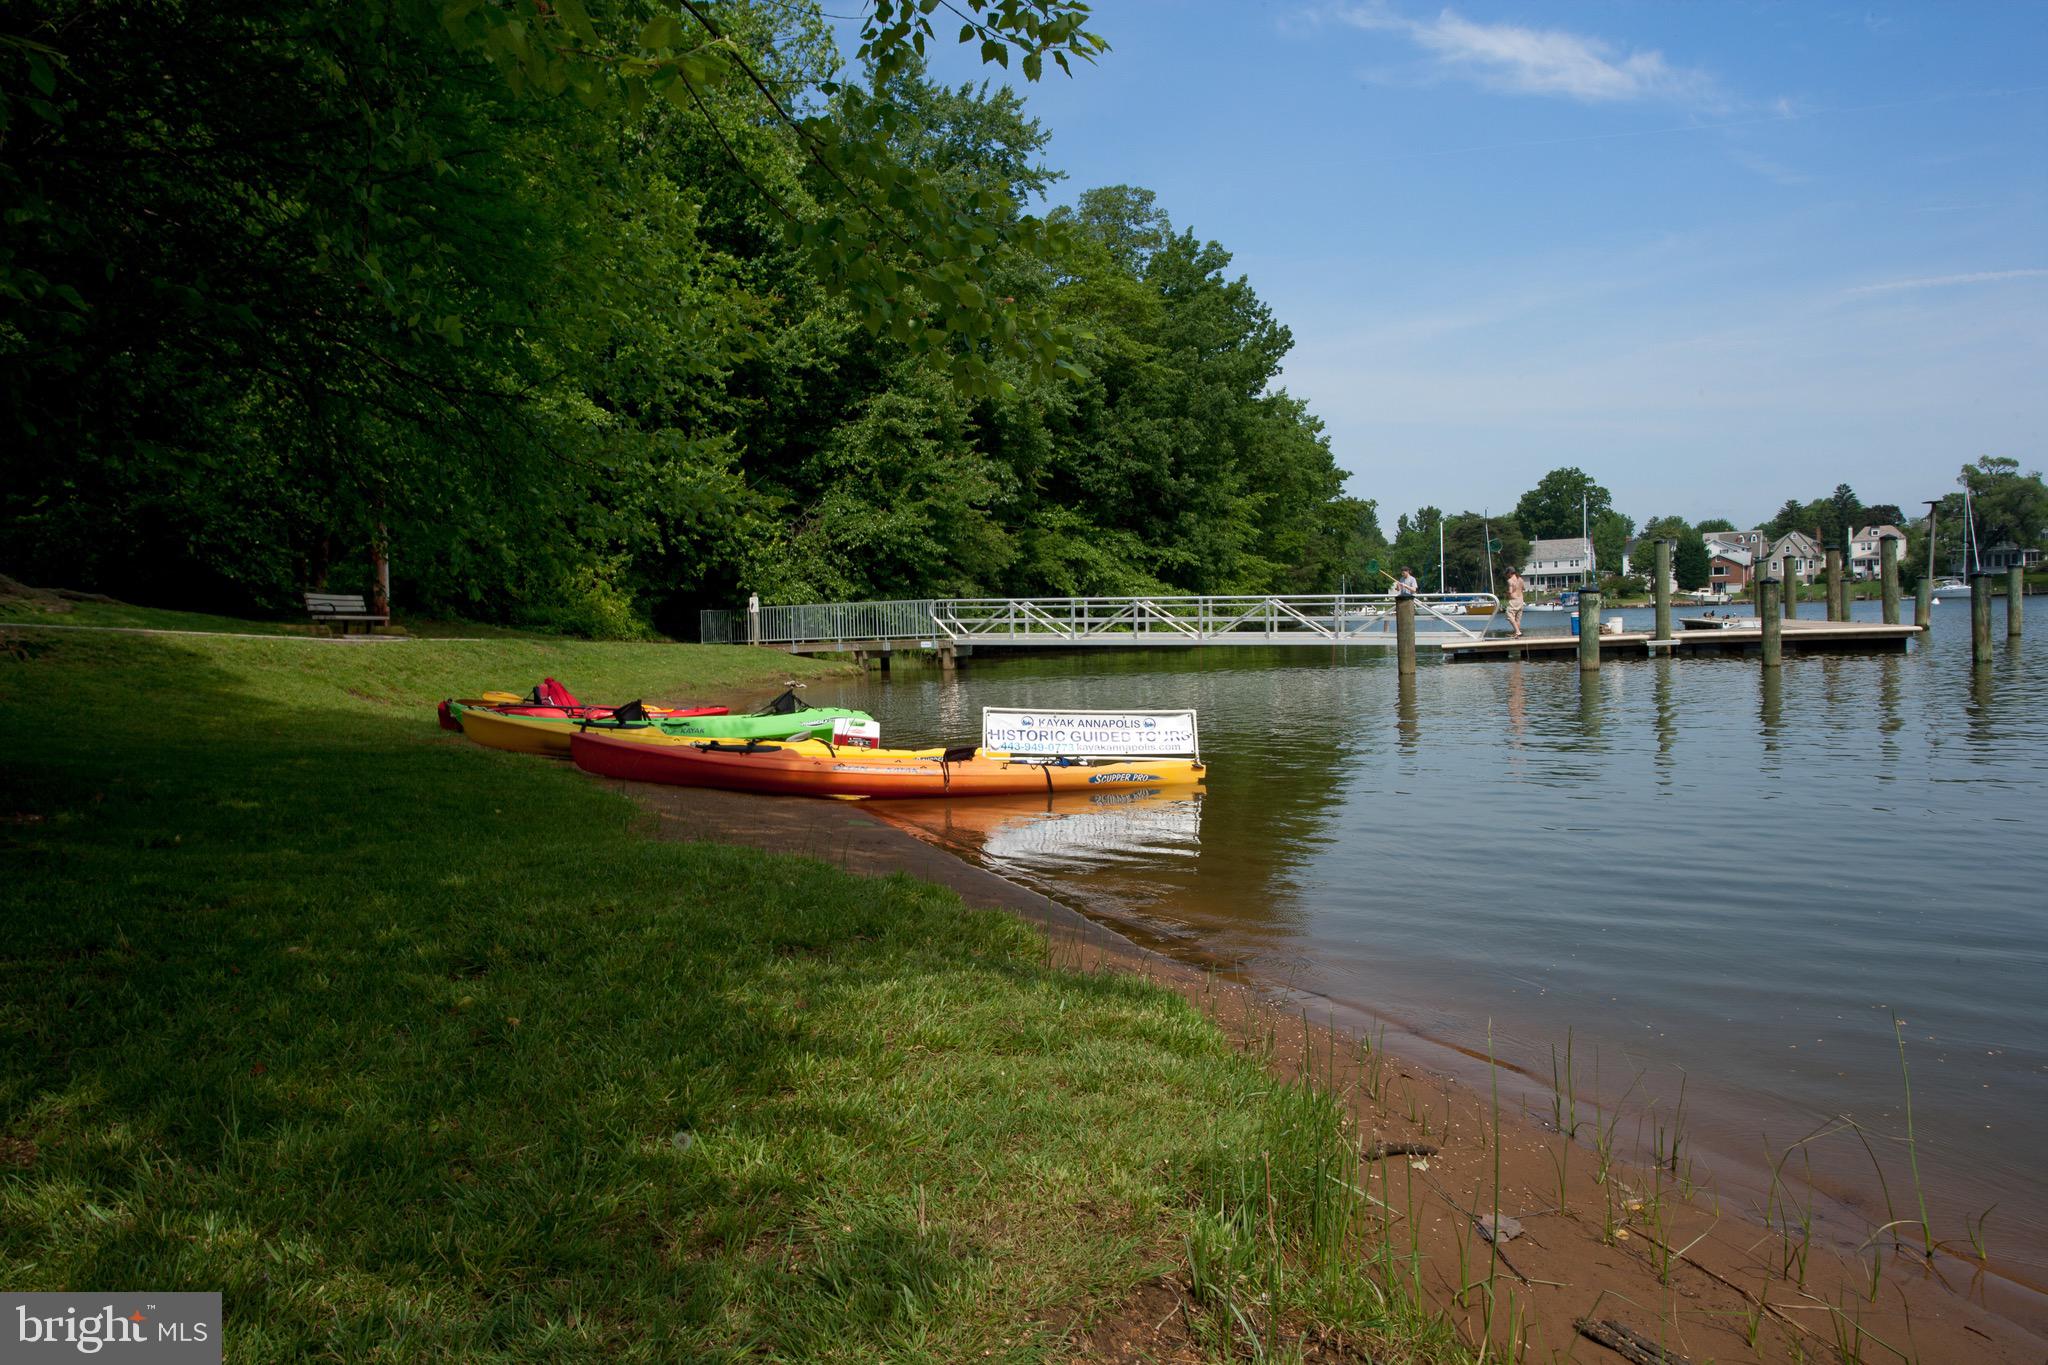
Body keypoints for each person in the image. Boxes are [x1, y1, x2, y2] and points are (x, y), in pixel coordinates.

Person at [1504, 566, 1526, 638]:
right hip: (1521, 600)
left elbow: (1510, 591)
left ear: (1510, 573)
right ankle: (1516, 634)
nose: (1506, 575)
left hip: (1514, 601)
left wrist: (1506, 593)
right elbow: (1523, 588)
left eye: (1507, 573)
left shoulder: (1510, 580)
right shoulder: (1520, 579)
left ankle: (1518, 632)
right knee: (1517, 619)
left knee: (1509, 615)